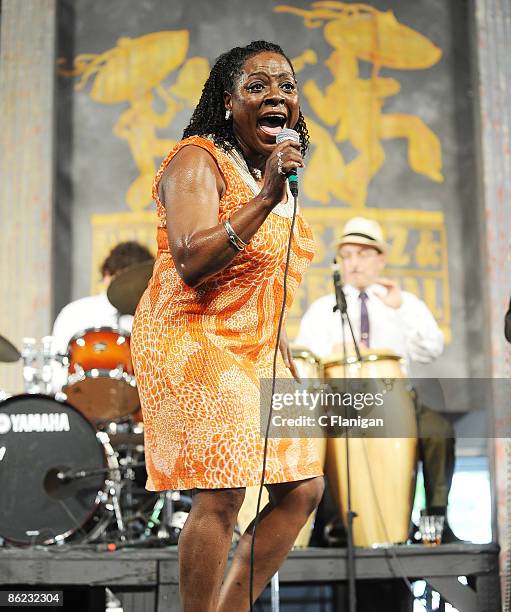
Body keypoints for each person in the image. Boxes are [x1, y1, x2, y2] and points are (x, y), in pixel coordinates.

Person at [131, 41, 324, 611]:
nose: (277, 97)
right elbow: (191, 260)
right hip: (192, 335)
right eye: (258, 86)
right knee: (223, 488)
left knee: (302, 487)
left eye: (286, 87)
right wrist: (265, 196)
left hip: (253, 343)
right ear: (227, 100)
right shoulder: (197, 159)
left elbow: (265, 271)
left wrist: (278, 333)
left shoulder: (260, 170)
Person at [296, 216, 457, 535]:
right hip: (341, 403)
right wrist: (333, 350)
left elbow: (431, 349)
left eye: (363, 254)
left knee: (439, 431)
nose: (354, 263)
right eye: (348, 255)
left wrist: (398, 312)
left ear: (380, 258)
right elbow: (305, 361)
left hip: (397, 399)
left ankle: (435, 525)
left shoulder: (403, 302)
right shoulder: (322, 309)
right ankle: (329, 523)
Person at [51, 241, 154, 390]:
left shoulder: (150, 319)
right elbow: (56, 368)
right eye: (124, 280)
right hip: (79, 401)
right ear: (107, 275)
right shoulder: (74, 313)